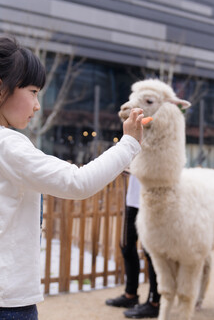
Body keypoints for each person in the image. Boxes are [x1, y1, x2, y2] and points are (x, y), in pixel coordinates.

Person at [0, 34, 144, 320]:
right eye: (32, 91)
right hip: (9, 301)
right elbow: (78, 183)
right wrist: (129, 143)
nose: (37, 105)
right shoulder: (8, 144)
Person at [105, 174, 160, 319]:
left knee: (151, 252)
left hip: (152, 199)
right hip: (133, 199)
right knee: (126, 245)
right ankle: (131, 294)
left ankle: (154, 302)